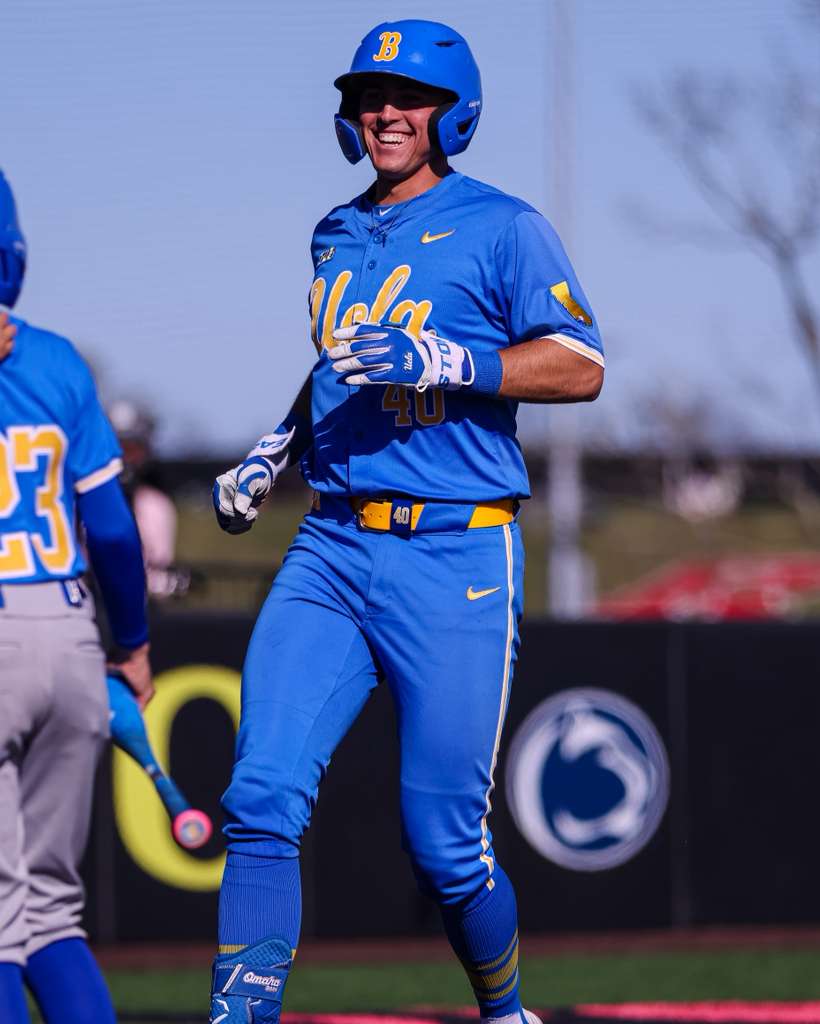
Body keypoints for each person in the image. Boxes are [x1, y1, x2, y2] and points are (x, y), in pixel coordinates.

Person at [210, 20, 604, 1024]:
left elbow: (581, 363)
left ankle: (505, 1013)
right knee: (259, 799)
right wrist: (277, 445)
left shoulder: (504, 226)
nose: (384, 110)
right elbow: (340, 365)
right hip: (331, 546)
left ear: (451, 112)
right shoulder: (333, 232)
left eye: (406, 95)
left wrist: (452, 362)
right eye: (367, 95)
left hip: (456, 550)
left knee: (444, 846)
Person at [0, 169, 152, 1023]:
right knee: (52, 915)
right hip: (67, 632)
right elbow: (117, 534)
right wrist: (128, 641)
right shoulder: (54, 360)